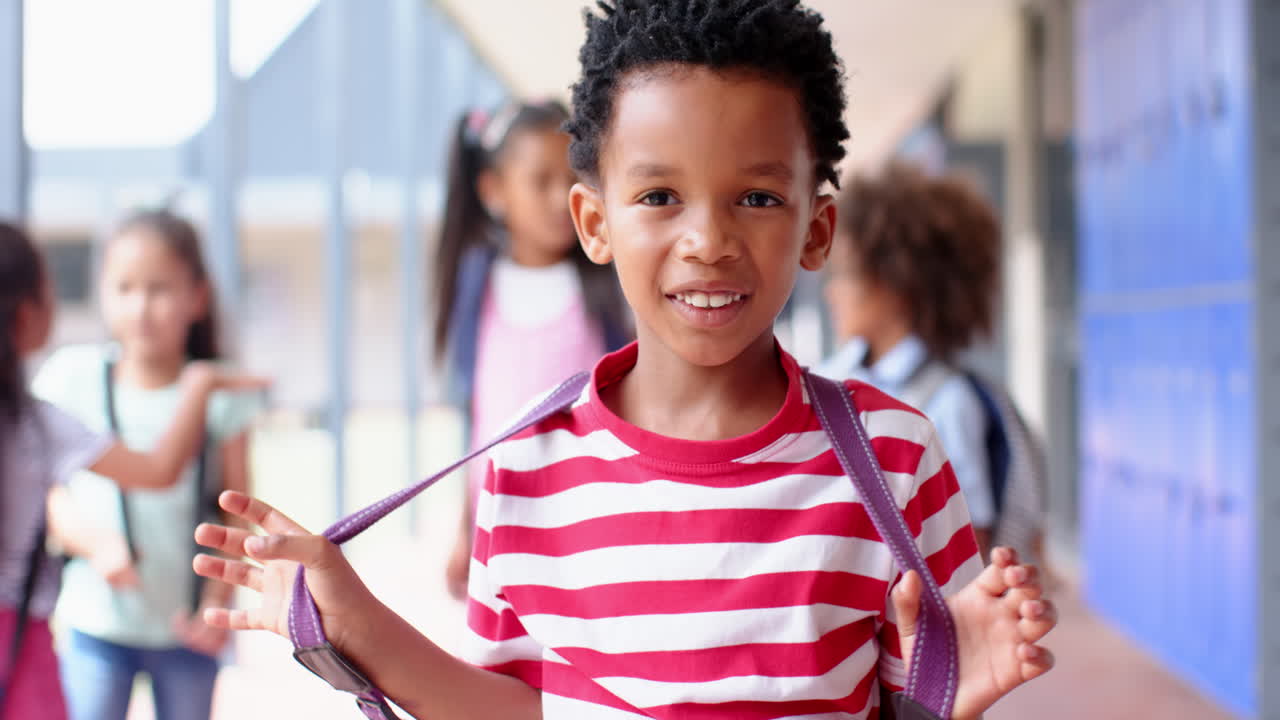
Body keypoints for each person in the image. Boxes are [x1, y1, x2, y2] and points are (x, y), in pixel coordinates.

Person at [193, 2, 1057, 718]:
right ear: (595, 222)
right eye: (659, 196)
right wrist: (355, 621)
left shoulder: (895, 456)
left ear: (816, 228)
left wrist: (946, 694)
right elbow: (518, 709)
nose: (709, 240)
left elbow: (912, 699)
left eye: (757, 197)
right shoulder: (525, 465)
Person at [0, 221, 264, 720]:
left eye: (159, 289)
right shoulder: (68, 383)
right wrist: (95, 542)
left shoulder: (39, 414)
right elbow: (61, 492)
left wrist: (219, 595)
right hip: (94, 624)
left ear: (197, 297)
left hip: (185, 626)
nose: (141, 306)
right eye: (124, 288)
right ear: (29, 316)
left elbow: (238, 506)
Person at [433, 98, 630, 599]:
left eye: (570, 181)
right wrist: (464, 527)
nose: (559, 198)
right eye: (540, 181)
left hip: (588, 525)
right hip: (500, 525)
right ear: (493, 191)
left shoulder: (608, 289)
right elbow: (478, 420)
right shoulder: (478, 286)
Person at [817, 163, 1018, 558]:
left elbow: (967, 549)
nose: (832, 292)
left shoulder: (950, 401)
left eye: (846, 274)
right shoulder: (827, 379)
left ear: (896, 284)